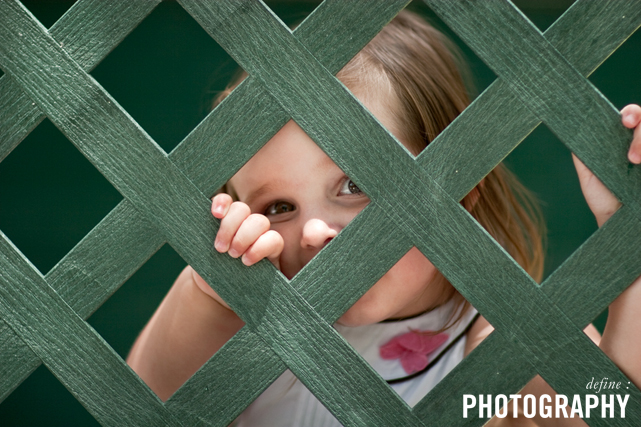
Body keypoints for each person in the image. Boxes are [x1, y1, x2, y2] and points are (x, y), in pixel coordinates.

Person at [127, 10, 641, 426]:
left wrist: (628, 240)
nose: (313, 233)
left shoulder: (501, 336)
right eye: (278, 208)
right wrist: (210, 293)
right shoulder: (249, 331)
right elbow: (140, 406)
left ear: (458, 190)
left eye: (355, 186)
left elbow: (614, 406)